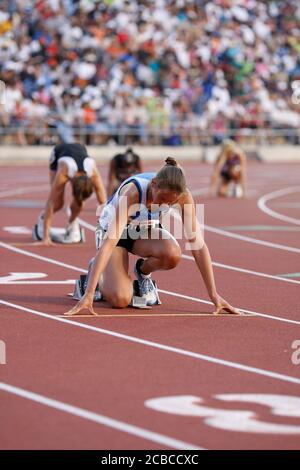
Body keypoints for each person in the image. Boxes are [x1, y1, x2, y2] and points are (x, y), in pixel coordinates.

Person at [64, 157, 240, 316]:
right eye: (162, 198)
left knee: (173, 254)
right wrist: (88, 295)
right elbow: (110, 242)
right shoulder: (133, 192)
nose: (164, 204)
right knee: (120, 299)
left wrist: (214, 295)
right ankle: (90, 278)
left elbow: (198, 245)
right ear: (154, 183)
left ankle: (142, 273)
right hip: (112, 233)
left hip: (143, 231)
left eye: (170, 203)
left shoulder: (183, 196)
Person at [33, 142, 106, 245]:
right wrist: (45, 237)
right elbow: (50, 203)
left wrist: (108, 235)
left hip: (80, 148)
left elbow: (104, 205)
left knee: (79, 203)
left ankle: (71, 223)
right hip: (59, 152)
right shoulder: (63, 172)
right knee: (58, 203)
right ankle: (42, 220)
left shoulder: (93, 173)